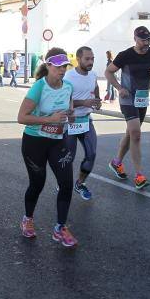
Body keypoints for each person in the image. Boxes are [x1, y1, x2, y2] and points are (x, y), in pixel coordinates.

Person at [17, 48, 78, 247]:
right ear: (49, 66)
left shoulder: (68, 86)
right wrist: (49, 119)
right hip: (35, 141)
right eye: (58, 67)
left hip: (58, 140)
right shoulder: (39, 87)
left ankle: (60, 227)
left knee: (67, 183)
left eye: (65, 67)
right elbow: (22, 118)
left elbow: (69, 111)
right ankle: (27, 219)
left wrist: (70, 115)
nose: (62, 71)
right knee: (38, 183)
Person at [105, 26, 150, 190]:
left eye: (148, 40)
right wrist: (119, 88)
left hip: (142, 99)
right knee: (136, 134)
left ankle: (116, 162)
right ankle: (139, 176)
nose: (146, 43)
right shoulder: (125, 55)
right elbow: (108, 72)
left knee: (131, 134)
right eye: (143, 40)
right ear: (135, 39)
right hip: (127, 98)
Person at [64, 46, 101, 201]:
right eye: (87, 59)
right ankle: (64, 183)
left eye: (92, 58)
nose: (90, 61)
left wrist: (97, 101)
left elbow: (95, 87)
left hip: (86, 120)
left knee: (91, 154)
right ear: (78, 59)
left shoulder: (93, 75)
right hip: (70, 122)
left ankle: (80, 183)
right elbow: (64, 100)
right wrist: (83, 102)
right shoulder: (68, 77)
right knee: (68, 158)